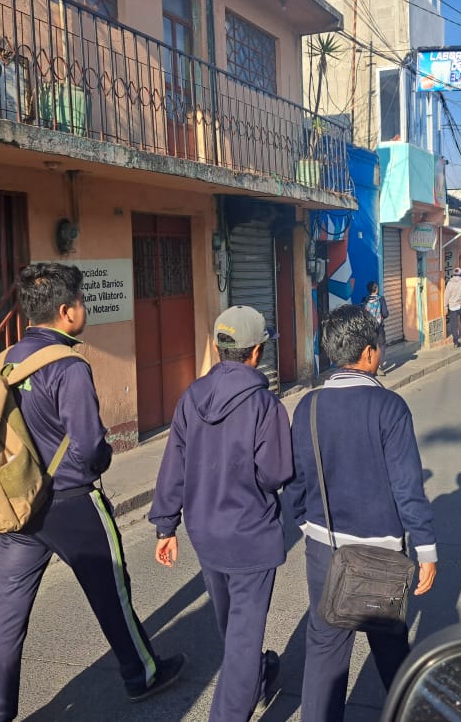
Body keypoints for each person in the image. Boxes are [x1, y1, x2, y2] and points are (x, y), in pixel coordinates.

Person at [0, 263, 184, 722]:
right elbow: (89, 444)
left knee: (7, 613)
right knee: (112, 594)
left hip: (18, 503)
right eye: (82, 302)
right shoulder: (68, 366)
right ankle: (141, 675)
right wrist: (101, 460)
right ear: (67, 311)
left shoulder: (5, 362)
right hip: (71, 502)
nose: (84, 310)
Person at [287, 305, 437, 722]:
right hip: (381, 553)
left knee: (324, 648)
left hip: (323, 546)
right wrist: (425, 547)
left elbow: (296, 481)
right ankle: (413, 713)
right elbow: (407, 487)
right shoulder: (389, 407)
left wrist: (305, 523)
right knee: (389, 645)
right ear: (370, 353)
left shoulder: (308, 407)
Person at [149, 305, 290, 721]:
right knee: (244, 638)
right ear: (257, 351)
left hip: (205, 532)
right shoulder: (265, 405)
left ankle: (256, 674)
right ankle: (235, 702)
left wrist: (165, 525)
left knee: (231, 623)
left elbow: (173, 462)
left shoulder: (191, 397)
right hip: (250, 534)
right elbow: (275, 473)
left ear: (218, 346)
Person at [360, 281, 391, 374]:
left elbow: (362, 314)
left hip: (368, 328)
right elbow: (385, 313)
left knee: (369, 347)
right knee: (381, 346)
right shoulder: (381, 299)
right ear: (376, 289)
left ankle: (370, 366)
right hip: (379, 327)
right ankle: (380, 366)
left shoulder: (364, 300)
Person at [445, 267, 461, 347]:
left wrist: (445, 306)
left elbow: (446, 295)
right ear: (460, 274)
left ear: (453, 274)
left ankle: (455, 341)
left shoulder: (449, 283)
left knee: (453, 324)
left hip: (452, 306)